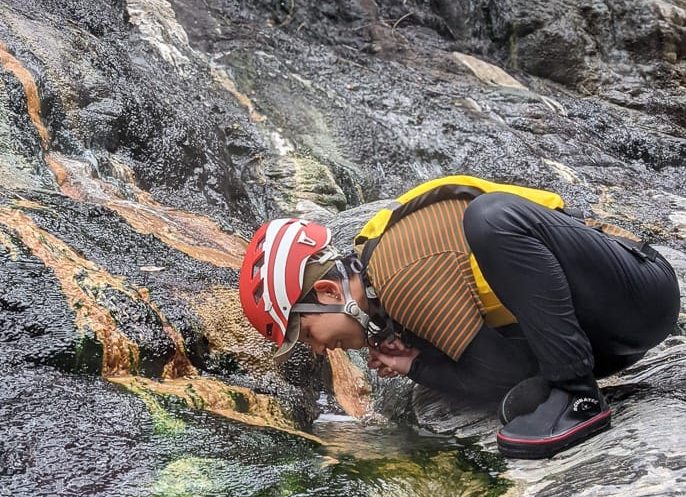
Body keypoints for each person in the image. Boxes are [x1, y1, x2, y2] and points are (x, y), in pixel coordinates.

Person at [238, 180, 681, 459]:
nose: (317, 349)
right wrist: (415, 363)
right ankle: (567, 385)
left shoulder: (398, 273)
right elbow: (509, 375)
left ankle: (579, 399)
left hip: (640, 291)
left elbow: (500, 372)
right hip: (607, 330)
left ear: (329, 293)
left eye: (305, 331)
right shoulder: (389, 296)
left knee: (491, 219)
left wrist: (421, 366)